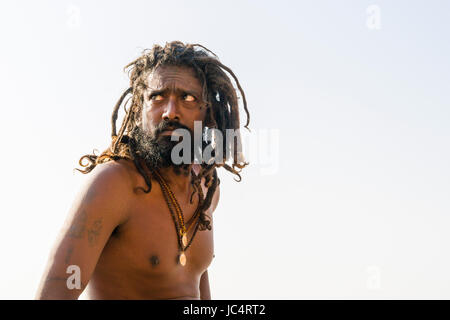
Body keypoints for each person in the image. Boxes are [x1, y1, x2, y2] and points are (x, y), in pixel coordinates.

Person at [35, 41, 250, 299]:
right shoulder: (113, 184)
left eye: (187, 98)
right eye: (157, 97)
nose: (170, 112)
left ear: (207, 113)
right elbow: (57, 287)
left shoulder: (206, 187)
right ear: (139, 108)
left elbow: (193, 283)